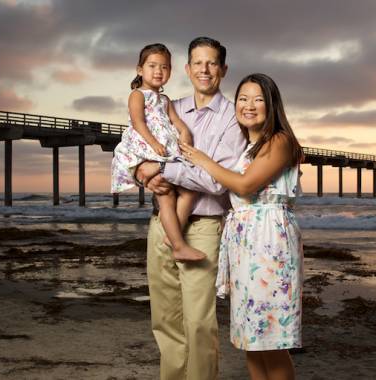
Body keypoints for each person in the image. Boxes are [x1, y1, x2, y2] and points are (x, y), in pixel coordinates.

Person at [134, 37, 247, 380]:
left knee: (198, 322)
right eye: (197, 62)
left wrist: (162, 169)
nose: (204, 69)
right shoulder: (166, 105)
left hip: (204, 228)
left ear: (223, 70)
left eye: (212, 63)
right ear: (186, 69)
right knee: (165, 319)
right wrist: (142, 173)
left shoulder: (232, 117)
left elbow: (216, 181)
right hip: (161, 224)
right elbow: (139, 148)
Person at [181, 73, 304, 380]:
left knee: (271, 340)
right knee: (251, 337)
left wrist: (202, 159)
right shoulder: (248, 147)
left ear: (271, 105)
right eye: (243, 99)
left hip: (269, 242)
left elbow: (246, 185)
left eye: (258, 99)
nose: (249, 106)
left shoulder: (280, 140)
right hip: (245, 241)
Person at [111, 43, 205, 262]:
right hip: (147, 147)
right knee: (166, 194)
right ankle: (179, 244)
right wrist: (153, 144)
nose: (158, 71)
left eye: (164, 67)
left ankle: (173, 237)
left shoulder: (164, 100)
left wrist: (184, 131)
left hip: (165, 148)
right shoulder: (137, 95)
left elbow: (176, 120)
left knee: (189, 190)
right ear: (139, 69)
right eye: (152, 65)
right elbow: (138, 122)